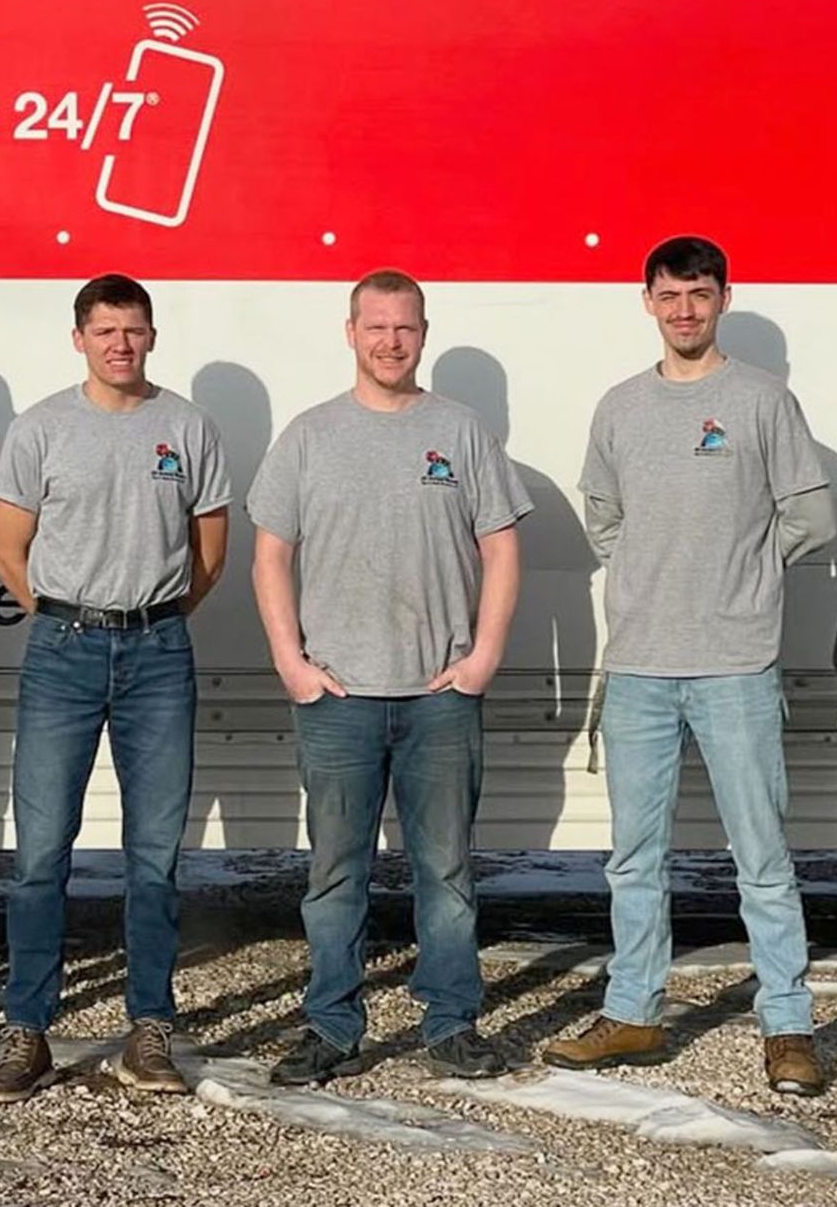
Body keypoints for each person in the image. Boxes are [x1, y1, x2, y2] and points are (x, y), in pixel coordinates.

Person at [543, 235, 836, 1096]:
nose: (684, 309)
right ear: (647, 301)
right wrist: (652, 572)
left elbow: (812, 517)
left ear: (724, 299)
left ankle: (788, 1025)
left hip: (735, 664)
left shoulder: (760, 401)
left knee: (763, 856)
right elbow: (603, 516)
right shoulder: (621, 407)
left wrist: (741, 572)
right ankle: (634, 1011)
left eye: (699, 294)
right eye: (669, 294)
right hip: (637, 667)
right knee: (635, 856)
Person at [248, 268, 531, 1086]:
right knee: (334, 875)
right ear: (350, 332)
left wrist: (481, 659)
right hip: (337, 697)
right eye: (375, 326)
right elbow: (271, 554)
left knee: (446, 872)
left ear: (422, 332)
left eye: (404, 326)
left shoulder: (461, 430)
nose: (390, 340)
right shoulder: (309, 435)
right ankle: (332, 1026)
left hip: (439, 697)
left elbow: (503, 548)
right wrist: (290, 663)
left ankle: (451, 1022)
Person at [0, 274, 230, 1103]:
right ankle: (28, 1030)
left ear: (153, 336)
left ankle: (150, 1027)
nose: (120, 342)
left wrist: (154, 615)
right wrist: (70, 616)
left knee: (154, 857)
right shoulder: (42, 426)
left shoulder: (186, 426)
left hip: (159, 651)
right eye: (105, 329)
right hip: (64, 650)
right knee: (40, 854)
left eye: (134, 329)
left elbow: (209, 551)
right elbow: (11, 550)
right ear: (78, 337)